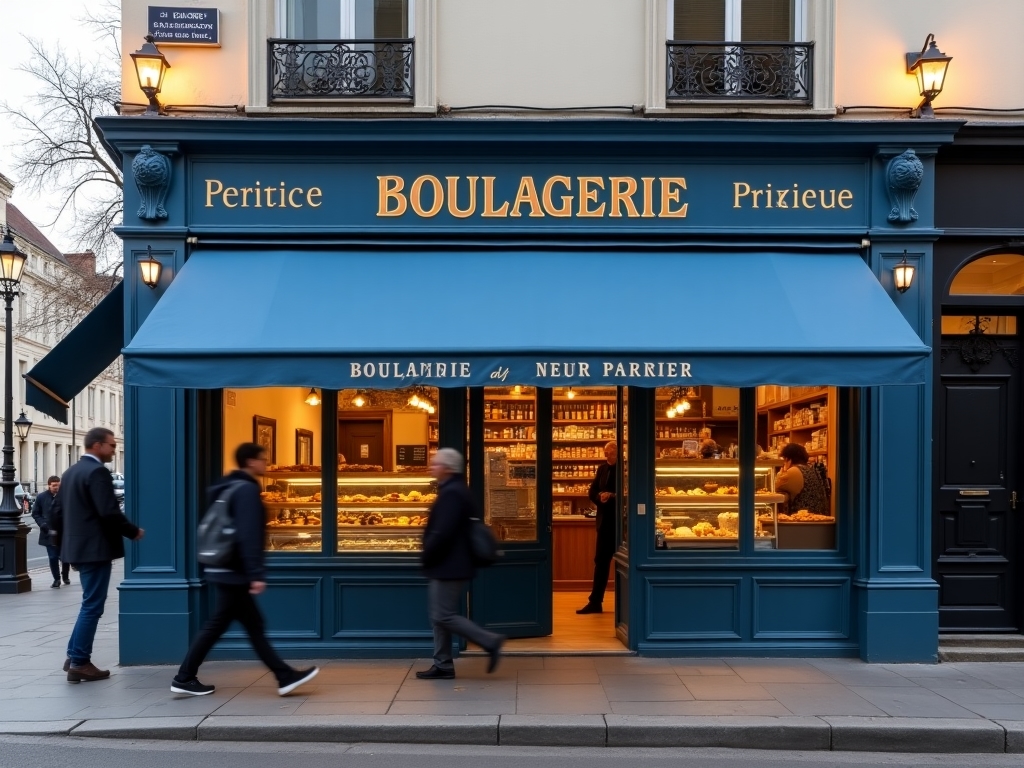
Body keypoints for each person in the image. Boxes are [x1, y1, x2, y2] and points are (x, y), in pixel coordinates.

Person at [171, 443, 319, 696]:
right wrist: (255, 574)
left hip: (223, 567)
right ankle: (184, 677)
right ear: (250, 461)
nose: (266, 464)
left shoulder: (226, 486)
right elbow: (249, 535)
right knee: (226, 625)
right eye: (263, 459)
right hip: (235, 570)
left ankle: (283, 676)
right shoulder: (247, 490)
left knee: (245, 624)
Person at [48, 428, 144, 683]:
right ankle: (80, 661)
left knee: (88, 603)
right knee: (93, 605)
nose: (114, 449)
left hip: (77, 549)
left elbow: (55, 512)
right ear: (97, 445)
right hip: (95, 549)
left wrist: (65, 544)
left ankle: (73, 657)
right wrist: (132, 531)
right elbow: (109, 511)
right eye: (111, 446)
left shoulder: (70, 472)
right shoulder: (98, 472)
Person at [415, 448, 504, 680]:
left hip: (449, 564)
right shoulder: (453, 489)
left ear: (447, 468)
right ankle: (443, 664)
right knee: (439, 616)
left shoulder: (452, 493)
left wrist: (426, 554)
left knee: (443, 615)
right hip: (449, 563)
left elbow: (442, 532)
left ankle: (490, 641)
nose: (432, 468)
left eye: (435, 464)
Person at [577, 441, 617, 615]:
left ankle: (628, 604)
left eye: (608, 452)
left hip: (621, 523)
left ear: (617, 452)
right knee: (600, 562)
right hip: (604, 522)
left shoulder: (626, 469)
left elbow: (631, 492)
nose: (605, 455)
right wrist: (599, 497)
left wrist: (613, 496)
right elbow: (591, 491)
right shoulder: (601, 469)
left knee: (626, 564)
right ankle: (595, 602)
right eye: (605, 452)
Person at [32, 476, 69, 588]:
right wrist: (42, 524)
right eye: (54, 485)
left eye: (58, 485)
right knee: (53, 557)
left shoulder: (65, 496)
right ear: (48, 485)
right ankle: (56, 579)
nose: (56, 488)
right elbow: (35, 513)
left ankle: (65, 575)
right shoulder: (41, 497)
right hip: (48, 532)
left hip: (63, 532)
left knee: (65, 556)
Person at [775, 443, 830, 514]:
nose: (784, 463)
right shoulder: (810, 469)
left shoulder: (794, 471)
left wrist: (780, 474)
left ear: (789, 459)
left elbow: (776, 486)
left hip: (803, 519)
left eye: (784, 460)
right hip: (818, 515)